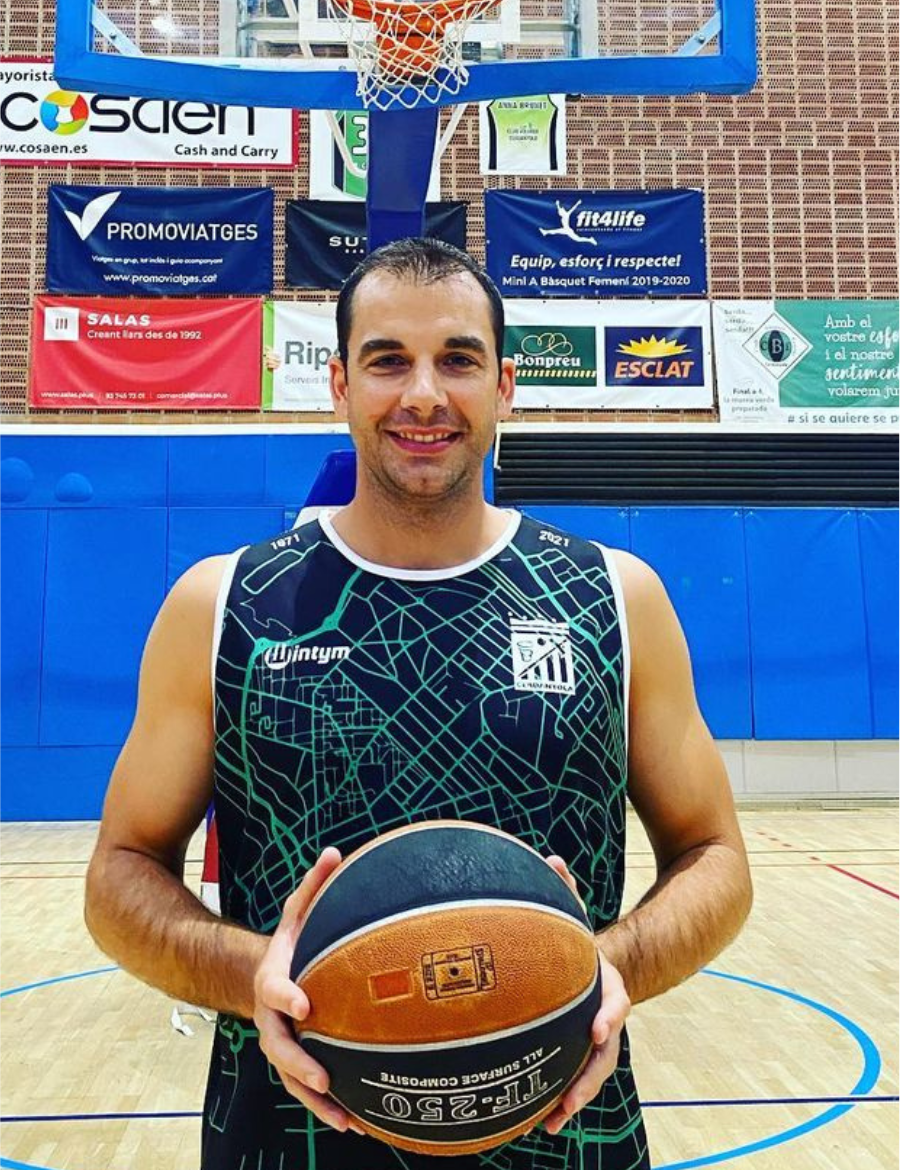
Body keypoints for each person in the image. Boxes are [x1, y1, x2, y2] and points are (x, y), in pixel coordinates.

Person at [83, 237, 753, 1170]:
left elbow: (717, 857)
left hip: (564, 1140)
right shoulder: (224, 604)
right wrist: (254, 976)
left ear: (506, 386)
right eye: (388, 360)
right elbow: (120, 875)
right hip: (287, 1142)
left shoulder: (613, 596)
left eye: (459, 360)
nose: (425, 394)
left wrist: (609, 967)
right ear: (339, 385)